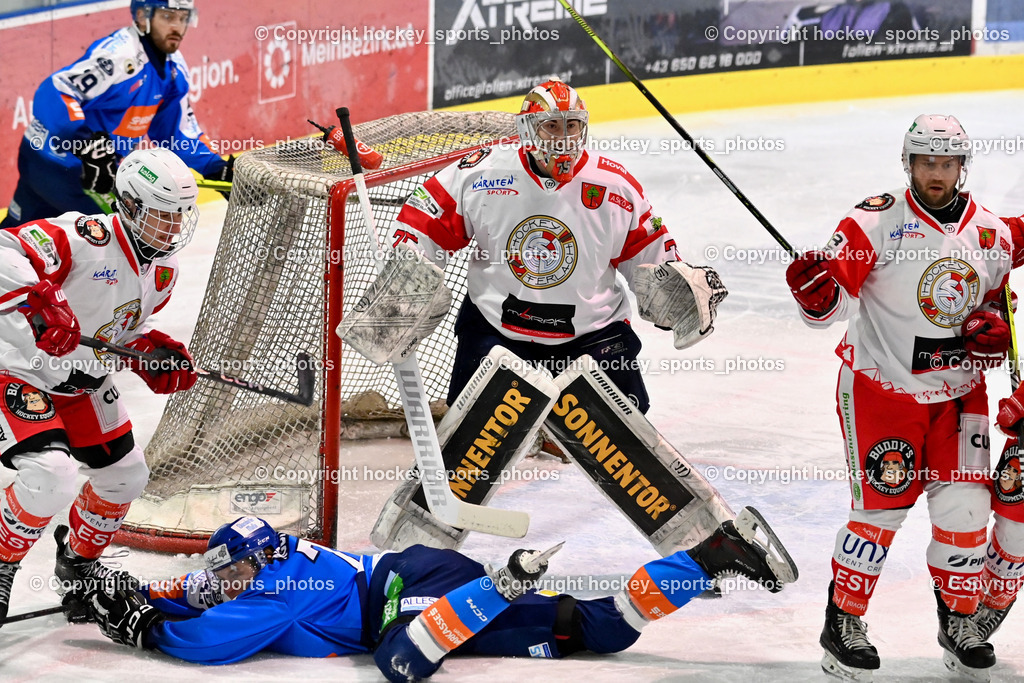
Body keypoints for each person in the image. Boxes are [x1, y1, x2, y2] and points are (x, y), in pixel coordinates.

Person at [785, 114, 1013, 680]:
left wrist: (992, 331)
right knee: (879, 514)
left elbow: (994, 308)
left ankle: (959, 621)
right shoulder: (873, 223)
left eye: (946, 164)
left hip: (960, 398)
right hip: (882, 391)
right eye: (926, 162)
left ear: (963, 167)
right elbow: (833, 304)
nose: (936, 174)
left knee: (966, 514)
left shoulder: (990, 233)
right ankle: (843, 623)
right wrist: (815, 295)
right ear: (908, 163)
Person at [84, 509, 794, 680]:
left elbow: (215, 640)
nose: (226, 585)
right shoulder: (263, 565)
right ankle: (711, 554)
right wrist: (122, 591)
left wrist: (148, 628)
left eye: (235, 572)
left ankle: (507, 579)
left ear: (259, 560)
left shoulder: (279, 586)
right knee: (601, 628)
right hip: (431, 588)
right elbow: (201, 592)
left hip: (405, 587)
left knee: (400, 660)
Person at [375, 78, 725, 414]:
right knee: (472, 438)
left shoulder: (614, 187)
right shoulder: (480, 172)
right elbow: (426, 218)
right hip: (496, 328)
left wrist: (676, 292)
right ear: (528, 130)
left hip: (592, 334)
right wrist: (409, 276)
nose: (564, 137)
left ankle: (553, 426)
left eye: (572, 125)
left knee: (622, 432)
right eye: (552, 127)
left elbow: (651, 258)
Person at [0, 147, 200, 625]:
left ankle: (78, 566)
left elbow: (113, 333)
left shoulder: (163, 274)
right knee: (50, 476)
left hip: (79, 382)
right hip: (17, 368)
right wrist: (37, 302)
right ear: (128, 206)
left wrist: (145, 352)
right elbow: (5, 249)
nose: (172, 229)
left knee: (127, 476)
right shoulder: (82, 236)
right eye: (161, 217)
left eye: (179, 218)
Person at [0, 0, 231, 229]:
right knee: (135, 236)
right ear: (142, 16)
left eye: (183, 18)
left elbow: (175, 133)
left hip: (78, 169)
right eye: (168, 17)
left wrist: (215, 167)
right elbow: (55, 90)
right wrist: (87, 147)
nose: (177, 28)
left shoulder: (174, 69)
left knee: (12, 240)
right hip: (62, 165)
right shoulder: (121, 56)